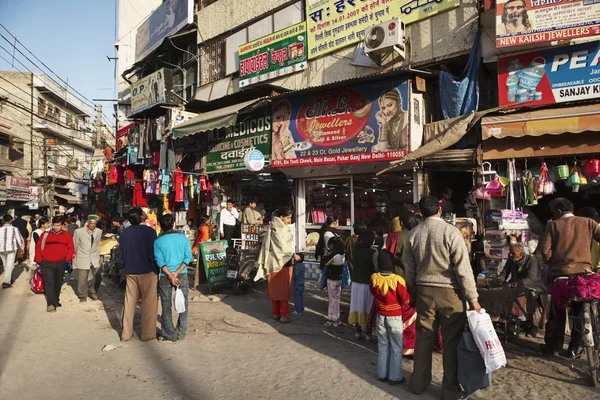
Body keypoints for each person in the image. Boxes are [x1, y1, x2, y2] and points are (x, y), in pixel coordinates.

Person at [404, 195, 480, 399]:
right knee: (451, 343)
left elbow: (409, 271)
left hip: (424, 292)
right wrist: (473, 299)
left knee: (423, 338)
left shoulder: (413, 234)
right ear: (439, 210)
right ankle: (450, 390)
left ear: (420, 212)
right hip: (450, 293)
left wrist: (413, 293)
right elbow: (463, 268)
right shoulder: (451, 232)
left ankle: (418, 384)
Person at [540, 198, 600, 358]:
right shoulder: (589, 223)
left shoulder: (554, 225)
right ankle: (575, 348)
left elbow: (544, 250)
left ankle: (554, 346)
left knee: (557, 312)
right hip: (584, 276)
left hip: (562, 276)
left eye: (553, 210)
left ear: (559, 210)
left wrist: (554, 263)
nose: (553, 214)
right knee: (579, 311)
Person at [371, 248, 411, 385]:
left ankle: (382, 374)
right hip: (395, 316)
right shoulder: (397, 280)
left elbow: (372, 292)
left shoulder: (374, 278)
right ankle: (394, 377)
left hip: (380, 316)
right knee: (396, 346)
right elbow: (405, 300)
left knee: (383, 345)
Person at [255, 206, 301, 324]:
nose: (289, 220)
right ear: (281, 217)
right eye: (288, 218)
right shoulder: (281, 229)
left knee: (275, 290)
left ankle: (276, 313)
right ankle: (284, 315)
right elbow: (284, 248)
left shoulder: (273, 226)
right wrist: (293, 254)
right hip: (283, 263)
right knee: (283, 291)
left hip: (272, 263)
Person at [118, 208, 159, 342]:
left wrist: (125, 268)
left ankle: (126, 334)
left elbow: (121, 254)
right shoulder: (150, 232)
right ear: (141, 216)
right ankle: (147, 334)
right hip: (147, 271)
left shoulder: (125, 233)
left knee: (129, 302)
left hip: (130, 271)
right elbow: (153, 253)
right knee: (149, 304)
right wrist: (155, 269)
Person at [154, 213, 193, 342]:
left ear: (160, 225)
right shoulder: (183, 239)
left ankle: (168, 334)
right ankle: (181, 332)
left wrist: (170, 274)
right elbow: (188, 257)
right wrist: (176, 273)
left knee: (166, 305)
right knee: (184, 303)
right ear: (173, 224)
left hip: (165, 275)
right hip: (181, 274)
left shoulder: (158, 241)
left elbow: (159, 261)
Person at [35, 217, 74, 312]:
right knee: (49, 282)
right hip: (46, 262)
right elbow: (38, 247)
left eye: (58, 225)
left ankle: (55, 299)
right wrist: (40, 260)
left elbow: (70, 248)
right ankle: (51, 304)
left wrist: (67, 259)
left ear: (62, 226)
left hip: (60, 262)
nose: (55, 227)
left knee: (58, 282)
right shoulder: (45, 234)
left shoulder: (67, 235)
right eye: (54, 225)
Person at [349, 228, 378, 341]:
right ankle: (369, 334)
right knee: (368, 306)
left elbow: (352, 260)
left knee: (356, 305)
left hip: (356, 281)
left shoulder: (355, 249)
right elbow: (376, 268)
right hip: (368, 282)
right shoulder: (374, 252)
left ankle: (358, 331)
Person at [72, 215, 103, 302]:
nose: (93, 225)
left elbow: (97, 243)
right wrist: (76, 255)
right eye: (91, 223)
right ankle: (82, 294)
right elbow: (75, 244)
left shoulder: (99, 231)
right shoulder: (78, 231)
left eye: (94, 223)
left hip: (94, 256)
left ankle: (92, 292)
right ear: (87, 222)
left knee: (94, 276)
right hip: (82, 255)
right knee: (82, 277)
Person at [323, 237, 345, 327]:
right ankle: (337, 318)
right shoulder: (343, 255)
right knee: (337, 299)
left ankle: (331, 318)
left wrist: (326, 254)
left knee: (331, 299)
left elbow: (326, 263)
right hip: (339, 279)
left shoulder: (334, 256)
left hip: (331, 279)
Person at [0, 214, 25, 288]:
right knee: (10, 265)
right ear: (11, 220)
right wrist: (22, 248)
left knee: (5, 264)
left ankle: (9, 279)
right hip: (11, 248)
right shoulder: (14, 229)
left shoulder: (0, 229)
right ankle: (6, 282)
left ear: (3, 221)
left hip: (1, 249)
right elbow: (19, 239)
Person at [575, 207, 600, 272]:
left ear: (588, 218)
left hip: (597, 268)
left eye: (581, 218)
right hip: (587, 268)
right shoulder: (584, 230)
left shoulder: (598, 229)